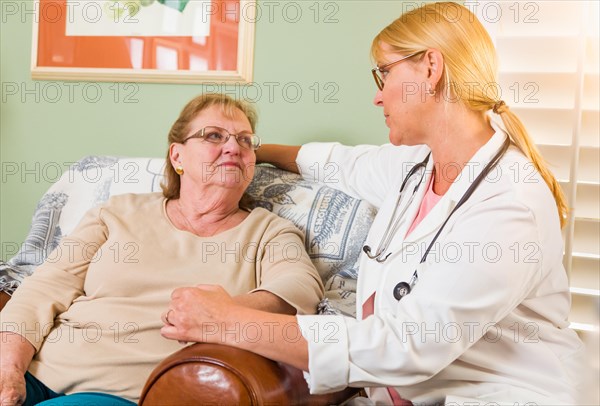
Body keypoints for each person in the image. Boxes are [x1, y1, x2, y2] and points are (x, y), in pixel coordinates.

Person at [159, 3, 585, 404]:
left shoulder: (509, 203)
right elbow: (334, 162)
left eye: (384, 74)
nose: (377, 97)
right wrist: (246, 149)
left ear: (430, 69)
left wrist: (227, 321)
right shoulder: (416, 164)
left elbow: (405, 345)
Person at [0, 94, 324, 406]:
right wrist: (10, 366)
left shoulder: (270, 231)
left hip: (121, 393)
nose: (233, 148)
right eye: (213, 136)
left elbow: (299, 290)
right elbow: (44, 287)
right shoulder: (117, 212)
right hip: (36, 369)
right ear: (177, 156)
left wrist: (224, 314)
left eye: (245, 141)